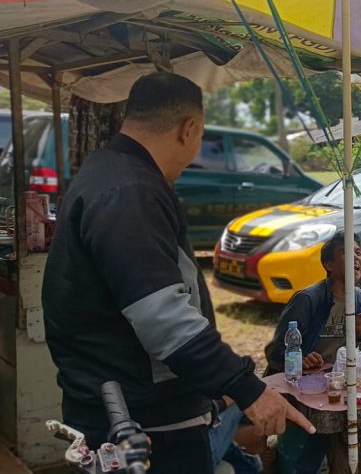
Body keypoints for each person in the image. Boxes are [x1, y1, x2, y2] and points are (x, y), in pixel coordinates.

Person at [42, 72, 315, 474]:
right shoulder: (129, 190)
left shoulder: (108, 170)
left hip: (123, 402)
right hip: (139, 422)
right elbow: (162, 315)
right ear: (189, 129)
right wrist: (245, 388)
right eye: (200, 134)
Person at [265, 230, 361, 474]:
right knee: (309, 446)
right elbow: (274, 353)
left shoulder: (359, 299)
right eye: (346, 253)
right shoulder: (308, 299)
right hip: (304, 386)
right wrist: (299, 360)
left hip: (336, 385)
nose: (356, 258)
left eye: (359, 253)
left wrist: (358, 333)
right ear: (328, 264)